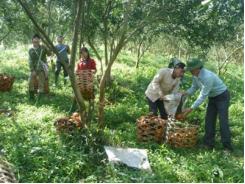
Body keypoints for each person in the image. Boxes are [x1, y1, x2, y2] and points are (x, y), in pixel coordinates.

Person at [182, 58, 233, 152]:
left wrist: (191, 108)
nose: (190, 72)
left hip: (222, 96)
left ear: (198, 68)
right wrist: (185, 93)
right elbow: (194, 87)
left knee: (223, 121)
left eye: (191, 69)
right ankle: (208, 144)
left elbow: (203, 95)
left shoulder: (207, 77)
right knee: (209, 120)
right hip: (212, 97)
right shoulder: (195, 75)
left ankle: (227, 147)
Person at [68, 47, 96, 114]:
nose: (83, 54)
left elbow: (94, 70)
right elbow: (77, 71)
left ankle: (90, 110)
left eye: (84, 52)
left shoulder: (91, 61)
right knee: (77, 94)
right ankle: (74, 108)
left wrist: (89, 72)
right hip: (81, 82)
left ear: (87, 52)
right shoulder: (79, 62)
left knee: (90, 95)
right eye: (81, 52)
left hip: (88, 81)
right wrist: (77, 73)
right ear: (80, 54)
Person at [28, 34, 51, 103]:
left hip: (42, 68)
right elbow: (30, 60)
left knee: (41, 84)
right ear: (32, 40)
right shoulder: (31, 50)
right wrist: (32, 70)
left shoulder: (42, 48)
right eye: (34, 39)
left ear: (39, 40)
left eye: (37, 39)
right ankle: (31, 98)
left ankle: (38, 99)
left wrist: (46, 47)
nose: (36, 40)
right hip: (34, 69)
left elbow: (49, 54)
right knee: (30, 83)